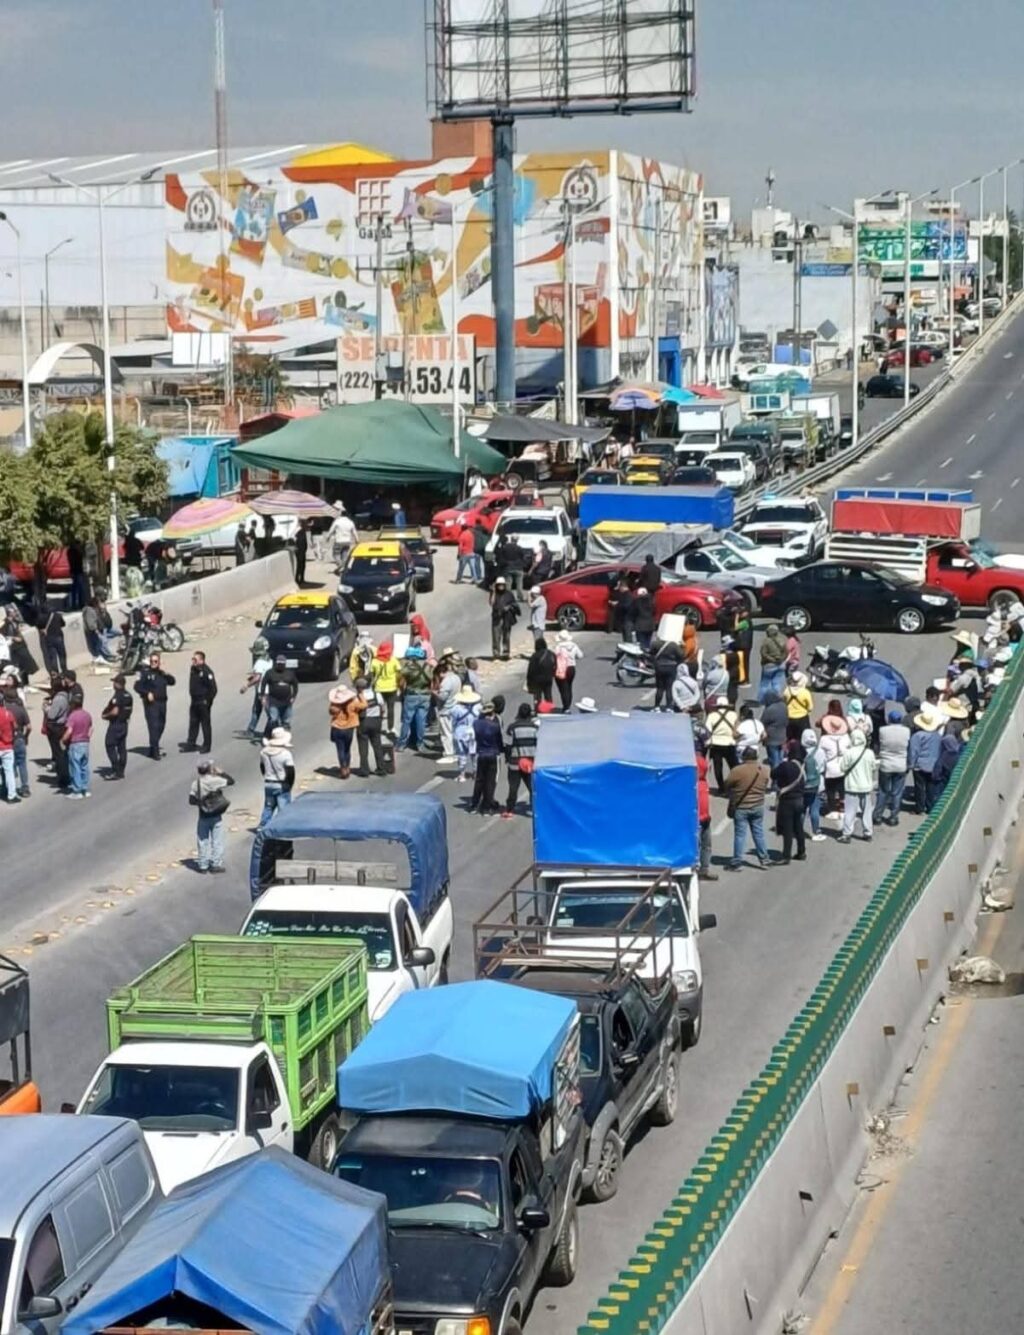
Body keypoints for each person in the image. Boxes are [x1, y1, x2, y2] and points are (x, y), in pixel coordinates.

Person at [725, 746, 771, 871]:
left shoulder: (737, 770)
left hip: (741, 806)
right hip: (758, 805)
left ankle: (737, 862)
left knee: (740, 835)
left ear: (744, 757)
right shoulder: (764, 769)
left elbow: (727, 784)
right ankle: (764, 860)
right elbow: (765, 784)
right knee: (758, 833)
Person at [189, 760, 234, 873]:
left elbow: (191, 800)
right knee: (217, 840)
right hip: (216, 815)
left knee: (202, 840)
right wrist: (221, 773)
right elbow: (231, 781)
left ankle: (203, 865)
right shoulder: (216, 780)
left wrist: (202, 803)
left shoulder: (196, 783)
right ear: (210, 769)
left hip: (203, 815)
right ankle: (215, 864)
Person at [838, 722, 878, 842]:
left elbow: (842, 767)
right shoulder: (869, 753)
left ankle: (847, 834)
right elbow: (873, 767)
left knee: (850, 812)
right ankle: (868, 833)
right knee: (866, 812)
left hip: (851, 786)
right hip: (865, 787)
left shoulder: (849, 753)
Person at [135, 652, 175, 760]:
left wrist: (166, 673)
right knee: (153, 727)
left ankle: (153, 747)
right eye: (152, 661)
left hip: (162, 703)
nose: (153, 663)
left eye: (156, 661)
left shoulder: (162, 673)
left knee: (161, 725)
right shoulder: (145, 673)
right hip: (151, 704)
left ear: (159, 662)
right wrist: (147, 693)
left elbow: (172, 681)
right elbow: (137, 686)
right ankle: (156, 752)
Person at [875, 709, 911, 827]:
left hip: (886, 764)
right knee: (897, 793)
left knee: (883, 791)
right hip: (900, 764)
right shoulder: (906, 731)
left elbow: (878, 744)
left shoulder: (883, 730)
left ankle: (878, 815)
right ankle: (893, 817)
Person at [773, 741, 807, 864]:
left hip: (787, 800)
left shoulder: (785, 765)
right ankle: (801, 851)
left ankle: (786, 855)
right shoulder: (802, 765)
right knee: (798, 827)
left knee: (787, 829)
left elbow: (773, 774)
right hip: (800, 799)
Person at [503, 701, 538, 817]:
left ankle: (509, 810)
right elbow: (539, 745)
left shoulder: (512, 728)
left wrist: (507, 758)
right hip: (530, 763)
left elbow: (508, 745)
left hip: (515, 763)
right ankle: (535, 809)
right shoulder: (535, 728)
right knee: (533, 788)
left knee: (513, 788)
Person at [909, 704, 944, 814]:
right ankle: (930, 807)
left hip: (920, 765)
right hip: (933, 765)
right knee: (931, 787)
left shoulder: (917, 736)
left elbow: (913, 751)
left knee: (919, 787)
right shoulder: (937, 736)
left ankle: (919, 808)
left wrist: (911, 764)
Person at [469, 701, 503, 814]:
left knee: (479, 780)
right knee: (491, 781)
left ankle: (474, 804)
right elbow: (499, 741)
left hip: (481, 753)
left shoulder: (476, 724)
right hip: (493, 754)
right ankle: (487, 807)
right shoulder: (495, 726)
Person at [397, 645, 432, 751]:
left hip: (411, 695)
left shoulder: (408, 668)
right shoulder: (429, 667)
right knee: (421, 721)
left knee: (407, 720)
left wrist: (402, 691)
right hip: (425, 695)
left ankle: (402, 744)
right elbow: (433, 682)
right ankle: (420, 743)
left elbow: (401, 682)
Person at [818, 703, 850, 815]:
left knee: (830, 788)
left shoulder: (824, 739)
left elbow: (820, 754)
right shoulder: (845, 737)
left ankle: (832, 808)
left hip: (830, 767)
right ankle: (842, 805)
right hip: (842, 765)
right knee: (842, 786)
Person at [62, 688, 93, 800]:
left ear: (73, 705)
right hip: (85, 743)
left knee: (75, 767)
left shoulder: (73, 716)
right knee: (84, 766)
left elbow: (69, 731)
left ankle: (77, 790)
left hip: (75, 743)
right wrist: (87, 737)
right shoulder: (87, 715)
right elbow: (91, 728)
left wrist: (63, 740)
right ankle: (85, 789)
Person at [184, 650, 217, 753]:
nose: (193, 661)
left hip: (203, 702)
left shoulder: (207, 672)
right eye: (192, 659)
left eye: (195, 659)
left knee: (205, 724)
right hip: (194, 701)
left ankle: (206, 746)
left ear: (201, 660)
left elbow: (213, 689)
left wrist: (207, 701)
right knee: (193, 722)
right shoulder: (193, 669)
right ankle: (191, 743)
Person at [259, 727, 295, 824]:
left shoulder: (263, 752)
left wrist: (267, 776)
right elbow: (290, 772)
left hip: (268, 783)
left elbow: (262, 767)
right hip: (281, 784)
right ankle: (282, 826)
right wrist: (289, 785)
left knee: (268, 807)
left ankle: (263, 826)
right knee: (283, 809)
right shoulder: (285, 754)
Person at [101, 673, 133, 779]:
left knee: (109, 744)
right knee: (122, 747)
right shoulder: (129, 695)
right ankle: (121, 771)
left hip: (116, 724)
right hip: (124, 724)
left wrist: (106, 715)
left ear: (117, 684)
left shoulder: (118, 696)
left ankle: (115, 770)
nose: (113, 684)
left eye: (114, 682)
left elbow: (115, 711)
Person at [328, 684, 364, 779]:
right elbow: (364, 705)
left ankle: (343, 768)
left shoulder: (335, 705)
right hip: (349, 729)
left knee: (340, 749)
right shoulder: (353, 702)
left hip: (337, 728)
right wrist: (361, 695)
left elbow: (330, 712)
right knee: (347, 749)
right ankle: (347, 767)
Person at [42, 673, 71, 790]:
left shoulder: (59, 699)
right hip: (62, 726)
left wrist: (45, 708)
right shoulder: (66, 696)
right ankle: (66, 776)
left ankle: (63, 779)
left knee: (58, 754)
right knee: (62, 753)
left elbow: (52, 715)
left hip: (56, 727)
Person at [353, 677, 386, 777]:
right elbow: (382, 708)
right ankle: (381, 768)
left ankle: (364, 770)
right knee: (377, 745)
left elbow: (354, 710)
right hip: (376, 721)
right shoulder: (377, 695)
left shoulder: (358, 697)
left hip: (363, 722)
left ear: (360, 688)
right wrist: (380, 718)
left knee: (363, 747)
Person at [241, 637, 273, 738]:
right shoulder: (270, 660)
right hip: (268, 689)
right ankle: (251, 729)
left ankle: (271, 732)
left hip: (263, 692)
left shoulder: (259, 663)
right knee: (256, 709)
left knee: (270, 714)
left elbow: (257, 677)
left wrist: (246, 685)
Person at [707, 695, 740, 790]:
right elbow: (737, 729)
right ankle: (735, 784)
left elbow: (708, 730)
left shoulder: (711, 716)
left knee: (718, 767)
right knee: (734, 766)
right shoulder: (733, 715)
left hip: (716, 744)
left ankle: (721, 787)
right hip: (730, 743)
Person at [3, 684, 30, 798]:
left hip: (7, 739)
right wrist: (26, 736)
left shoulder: (5, 710)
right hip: (19, 738)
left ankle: (10, 788)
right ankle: (25, 787)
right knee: (22, 764)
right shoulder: (21, 709)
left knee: (9, 765)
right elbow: (29, 727)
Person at [695, 741, 718, 880]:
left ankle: (703, 869)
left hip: (704, 817)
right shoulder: (695, 785)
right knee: (701, 845)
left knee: (705, 845)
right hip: (697, 819)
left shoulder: (702, 783)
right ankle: (698, 869)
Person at [435, 653, 463, 762]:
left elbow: (442, 697)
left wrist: (434, 693)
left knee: (446, 734)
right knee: (453, 732)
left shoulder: (447, 681)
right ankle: (455, 752)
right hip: (455, 708)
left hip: (446, 710)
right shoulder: (456, 678)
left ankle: (449, 754)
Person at [801, 727, 826, 842]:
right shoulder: (820, 751)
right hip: (817, 784)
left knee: (802, 809)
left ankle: (798, 829)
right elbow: (823, 767)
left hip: (803, 784)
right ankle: (816, 831)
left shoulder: (800, 751)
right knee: (814, 809)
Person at [261, 655, 299, 733]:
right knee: (273, 719)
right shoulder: (270, 673)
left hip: (287, 701)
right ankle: (268, 734)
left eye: (282, 664)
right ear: (276, 663)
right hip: (273, 701)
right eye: (279, 664)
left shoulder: (290, 673)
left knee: (286, 721)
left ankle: (284, 736)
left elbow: (295, 685)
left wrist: (293, 696)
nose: (280, 665)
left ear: (285, 664)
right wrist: (263, 697)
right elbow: (263, 684)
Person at [451, 684, 481, 781]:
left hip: (460, 732)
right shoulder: (478, 707)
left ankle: (462, 774)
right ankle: (476, 773)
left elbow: (453, 720)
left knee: (461, 753)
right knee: (474, 754)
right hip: (474, 732)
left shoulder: (456, 709)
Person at [370, 640, 400, 733]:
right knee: (391, 708)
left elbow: (372, 675)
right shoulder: (393, 660)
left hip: (379, 688)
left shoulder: (374, 661)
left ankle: (377, 728)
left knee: (379, 709)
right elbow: (399, 672)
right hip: (392, 688)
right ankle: (390, 728)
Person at [554, 628, 583, 711]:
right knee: (569, 687)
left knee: (563, 688)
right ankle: (568, 705)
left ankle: (566, 707)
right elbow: (580, 655)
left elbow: (555, 656)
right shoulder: (574, 645)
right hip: (571, 668)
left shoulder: (559, 647)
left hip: (562, 669)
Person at [490, 577, 519, 661]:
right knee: (496, 636)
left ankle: (506, 653)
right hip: (497, 618)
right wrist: (493, 591)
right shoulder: (494, 593)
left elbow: (514, 604)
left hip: (506, 618)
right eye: (499, 585)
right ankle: (496, 654)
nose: (501, 586)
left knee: (506, 636)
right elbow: (491, 603)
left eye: (502, 585)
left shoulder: (509, 594)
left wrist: (508, 607)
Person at [652, 637, 684, 712]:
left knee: (660, 688)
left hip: (659, 667)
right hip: (671, 667)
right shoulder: (673, 645)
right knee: (669, 688)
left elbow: (651, 653)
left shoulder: (656, 644)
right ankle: (669, 707)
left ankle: (656, 706)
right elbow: (681, 655)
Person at [758, 624, 788, 702]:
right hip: (780, 665)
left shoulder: (766, 641)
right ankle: (776, 699)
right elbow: (786, 652)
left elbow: (763, 653)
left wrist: (772, 660)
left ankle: (762, 700)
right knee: (777, 683)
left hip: (769, 665)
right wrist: (781, 659)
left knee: (765, 683)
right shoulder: (782, 641)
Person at [83, 596, 117, 663]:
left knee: (100, 643)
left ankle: (106, 656)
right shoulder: (90, 611)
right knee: (100, 643)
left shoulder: (94, 609)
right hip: (93, 632)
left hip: (98, 630)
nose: (99, 604)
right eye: (98, 603)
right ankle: (105, 657)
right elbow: (91, 624)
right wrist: (96, 631)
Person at [761, 691, 789, 769]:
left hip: (772, 738)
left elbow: (762, 722)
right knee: (781, 757)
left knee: (775, 760)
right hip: (782, 736)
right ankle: (783, 771)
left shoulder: (769, 709)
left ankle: (776, 774)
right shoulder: (784, 706)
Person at [526, 638, 556, 706]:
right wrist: (552, 674)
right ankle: (549, 709)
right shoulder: (551, 654)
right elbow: (555, 665)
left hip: (537, 680)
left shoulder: (535, 655)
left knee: (537, 697)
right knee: (548, 695)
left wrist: (529, 682)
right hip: (548, 679)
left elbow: (531, 670)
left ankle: (538, 709)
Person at [783, 672, 814, 738]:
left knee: (790, 737)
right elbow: (810, 708)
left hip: (789, 718)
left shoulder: (787, 691)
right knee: (804, 737)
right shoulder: (805, 692)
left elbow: (784, 703)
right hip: (802, 718)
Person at [326, 506, 358, 571]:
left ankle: (340, 565)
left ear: (341, 514)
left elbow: (331, 530)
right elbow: (354, 531)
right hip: (347, 541)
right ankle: (343, 568)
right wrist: (357, 540)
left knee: (335, 554)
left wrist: (328, 537)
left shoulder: (337, 521)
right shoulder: (350, 522)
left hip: (339, 541)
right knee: (345, 555)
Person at [39, 605, 67, 676]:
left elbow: (40, 629)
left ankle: (56, 673)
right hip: (58, 637)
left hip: (49, 639)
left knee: (53, 657)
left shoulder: (42, 618)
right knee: (62, 655)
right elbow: (63, 624)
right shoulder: (58, 615)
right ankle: (64, 671)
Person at [0, 694, 17, 803]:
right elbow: (15, 726)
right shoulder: (8, 713)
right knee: (9, 771)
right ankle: (11, 795)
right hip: (7, 746)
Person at [634, 587, 656, 652]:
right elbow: (654, 611)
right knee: (647, 643)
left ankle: (642, 654)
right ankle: (647, 652)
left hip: (640, 625)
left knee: (641, 644)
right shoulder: (652, 600)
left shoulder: (637, 601)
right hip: (650, 624)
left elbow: (634, 612)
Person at [294, 519, 310, 585]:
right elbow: (300, 542)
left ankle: (301, 578)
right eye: (305, 523)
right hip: (300, 551)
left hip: (302, 550)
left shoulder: (302, 531)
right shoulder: (299, 531)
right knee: (299, 565)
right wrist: (301, 551)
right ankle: (298, 579)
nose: (307, 525)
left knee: (302, 565)